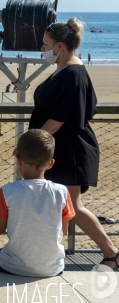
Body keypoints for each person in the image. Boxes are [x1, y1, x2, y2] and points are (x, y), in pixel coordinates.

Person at [29, 18, 118, 270]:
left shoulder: (73, 73)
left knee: (72, 206)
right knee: (61, 205)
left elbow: (59, 118)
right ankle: (52, 254)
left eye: (45, 44)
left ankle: (111, 253)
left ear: (59, 45)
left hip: (69, 149)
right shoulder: (63, 69)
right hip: (61, 147)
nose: (42, 49)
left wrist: (33, 145)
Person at [0, 130, 75, 277]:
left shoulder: (8, 190)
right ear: (50, 164)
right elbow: (63, 232)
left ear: (18, 159)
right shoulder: (62, 191)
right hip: (52, 267)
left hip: (14, 265)